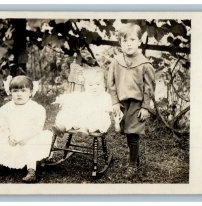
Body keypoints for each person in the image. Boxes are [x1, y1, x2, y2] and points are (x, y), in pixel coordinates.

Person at [0, 75, 52, 183]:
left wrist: (26, 138)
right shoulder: (7, 108)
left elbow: (37, 127)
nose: (19, 94)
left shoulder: (36, 108)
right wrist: (9, 135)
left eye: (23, 90)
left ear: (30, 92)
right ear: (10, 92)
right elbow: (1, 123)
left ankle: (31, 171)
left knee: (33, 144)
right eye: (15, 91)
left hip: (29, 136)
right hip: (12, 136)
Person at [106, 23, 155, 178]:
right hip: (121, 103)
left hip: (137, 103)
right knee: (124, 131)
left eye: (132, 40)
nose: (128, 43)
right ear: (120, 43)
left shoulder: (144, 64)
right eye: (124, 40)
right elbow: (111, 83)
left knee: (133, 134)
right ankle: (136, 157)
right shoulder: (116, 61)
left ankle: (132, 164)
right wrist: (114, 102)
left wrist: (146, 107)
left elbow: (149, 87)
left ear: (139, 42)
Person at [52, 68, 113, 138]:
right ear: (85, 86)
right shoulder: (84, 95)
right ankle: (62, 127)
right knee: (69, 114)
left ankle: (85, 129)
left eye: (98, 84)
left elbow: (108, 109)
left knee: (98, 118)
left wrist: (103, 111)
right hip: (82, 117)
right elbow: (72, 98)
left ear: (103, 85)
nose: (94, 87)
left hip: (95, 118)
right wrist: (63, 100)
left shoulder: (105, 96)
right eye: (90, 85)